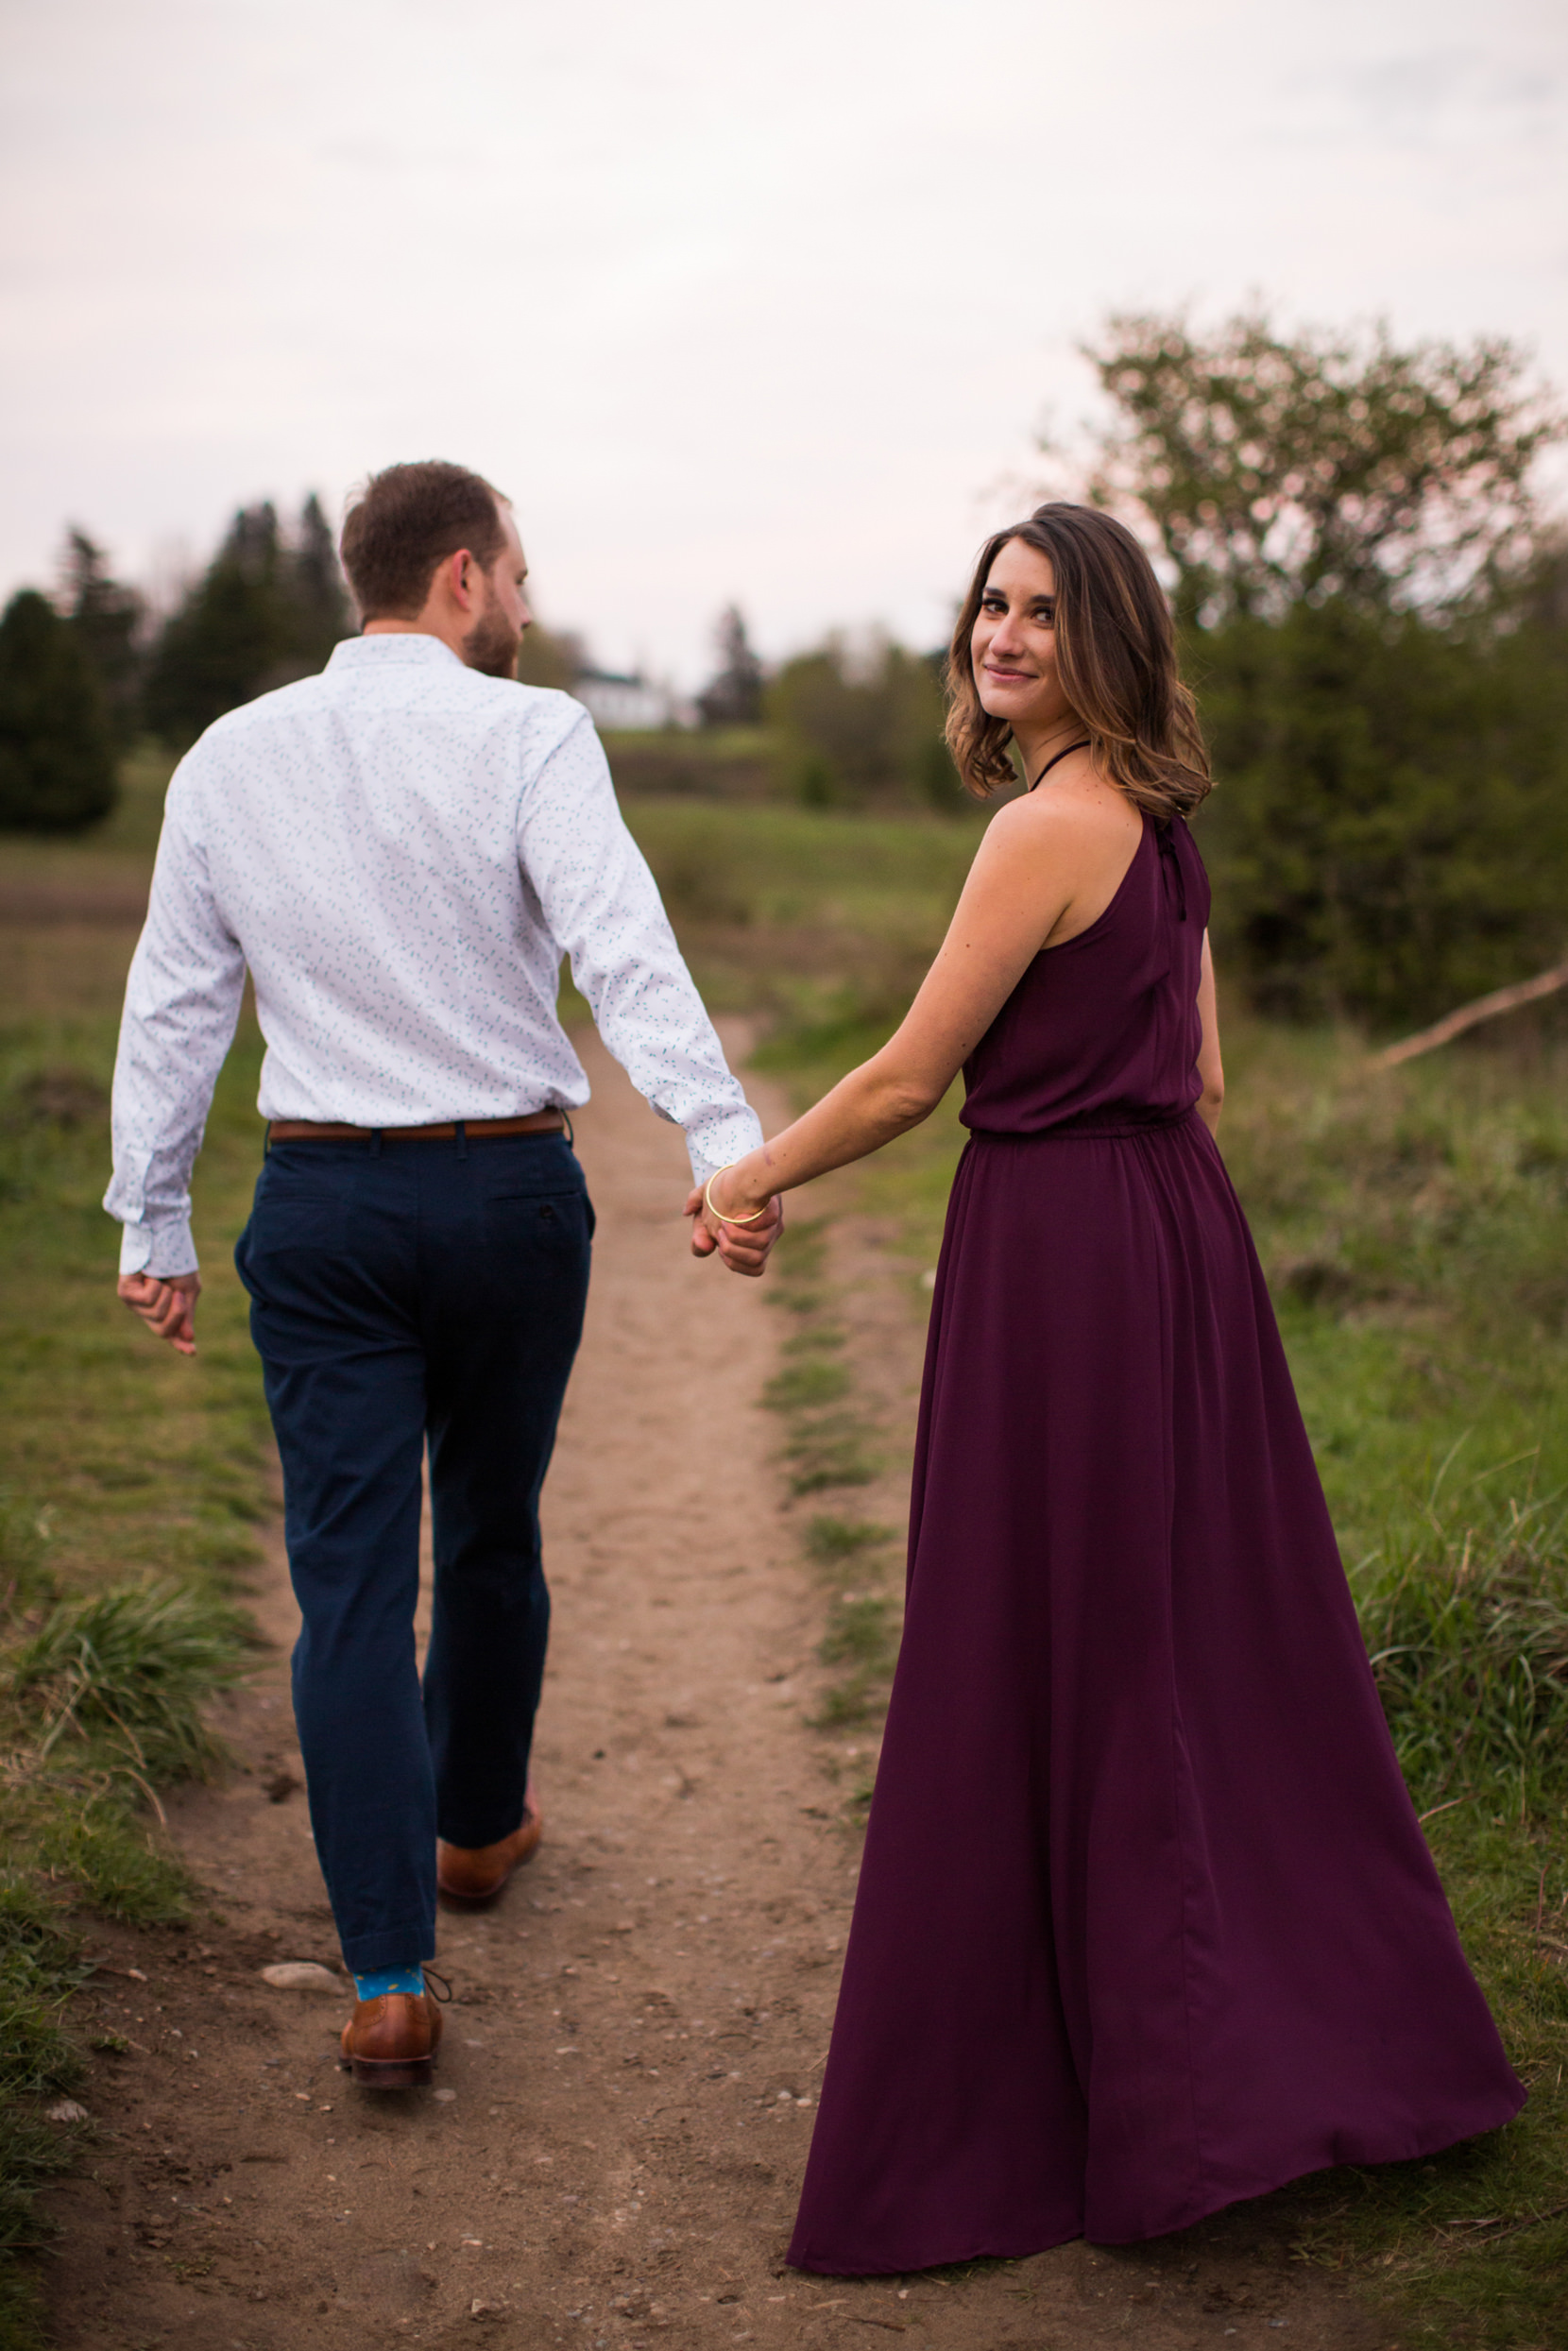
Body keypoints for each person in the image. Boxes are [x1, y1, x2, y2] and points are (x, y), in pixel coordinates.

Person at [690, 504, 1523, 2271]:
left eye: (1043, 612)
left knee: (1032, 1653)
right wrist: (1149, 1234)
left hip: (1063, 1263)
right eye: (991, 602)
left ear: (1106, 635)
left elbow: (916, 1078)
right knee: (1190, 1650)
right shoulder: (1160, 820)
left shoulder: (1040, 829)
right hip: (1174, 1248)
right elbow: (1202, 1080)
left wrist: (750, 1176)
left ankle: (1060, 2101)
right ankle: (1254, 2047)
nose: (1003, 634)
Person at [107, 460, 780, 2088]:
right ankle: (478, 1829)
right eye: (524, 580)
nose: (532, 614)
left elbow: (176, 1001)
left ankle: (389, 1974)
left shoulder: (227, 754)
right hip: (504, 1197)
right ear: (465, 574)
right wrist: (721, 1139)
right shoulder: (533, 733)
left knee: (345, 1579)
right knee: (490, 1521)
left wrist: (153, 1215)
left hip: (320, 1206)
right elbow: (624, 942)